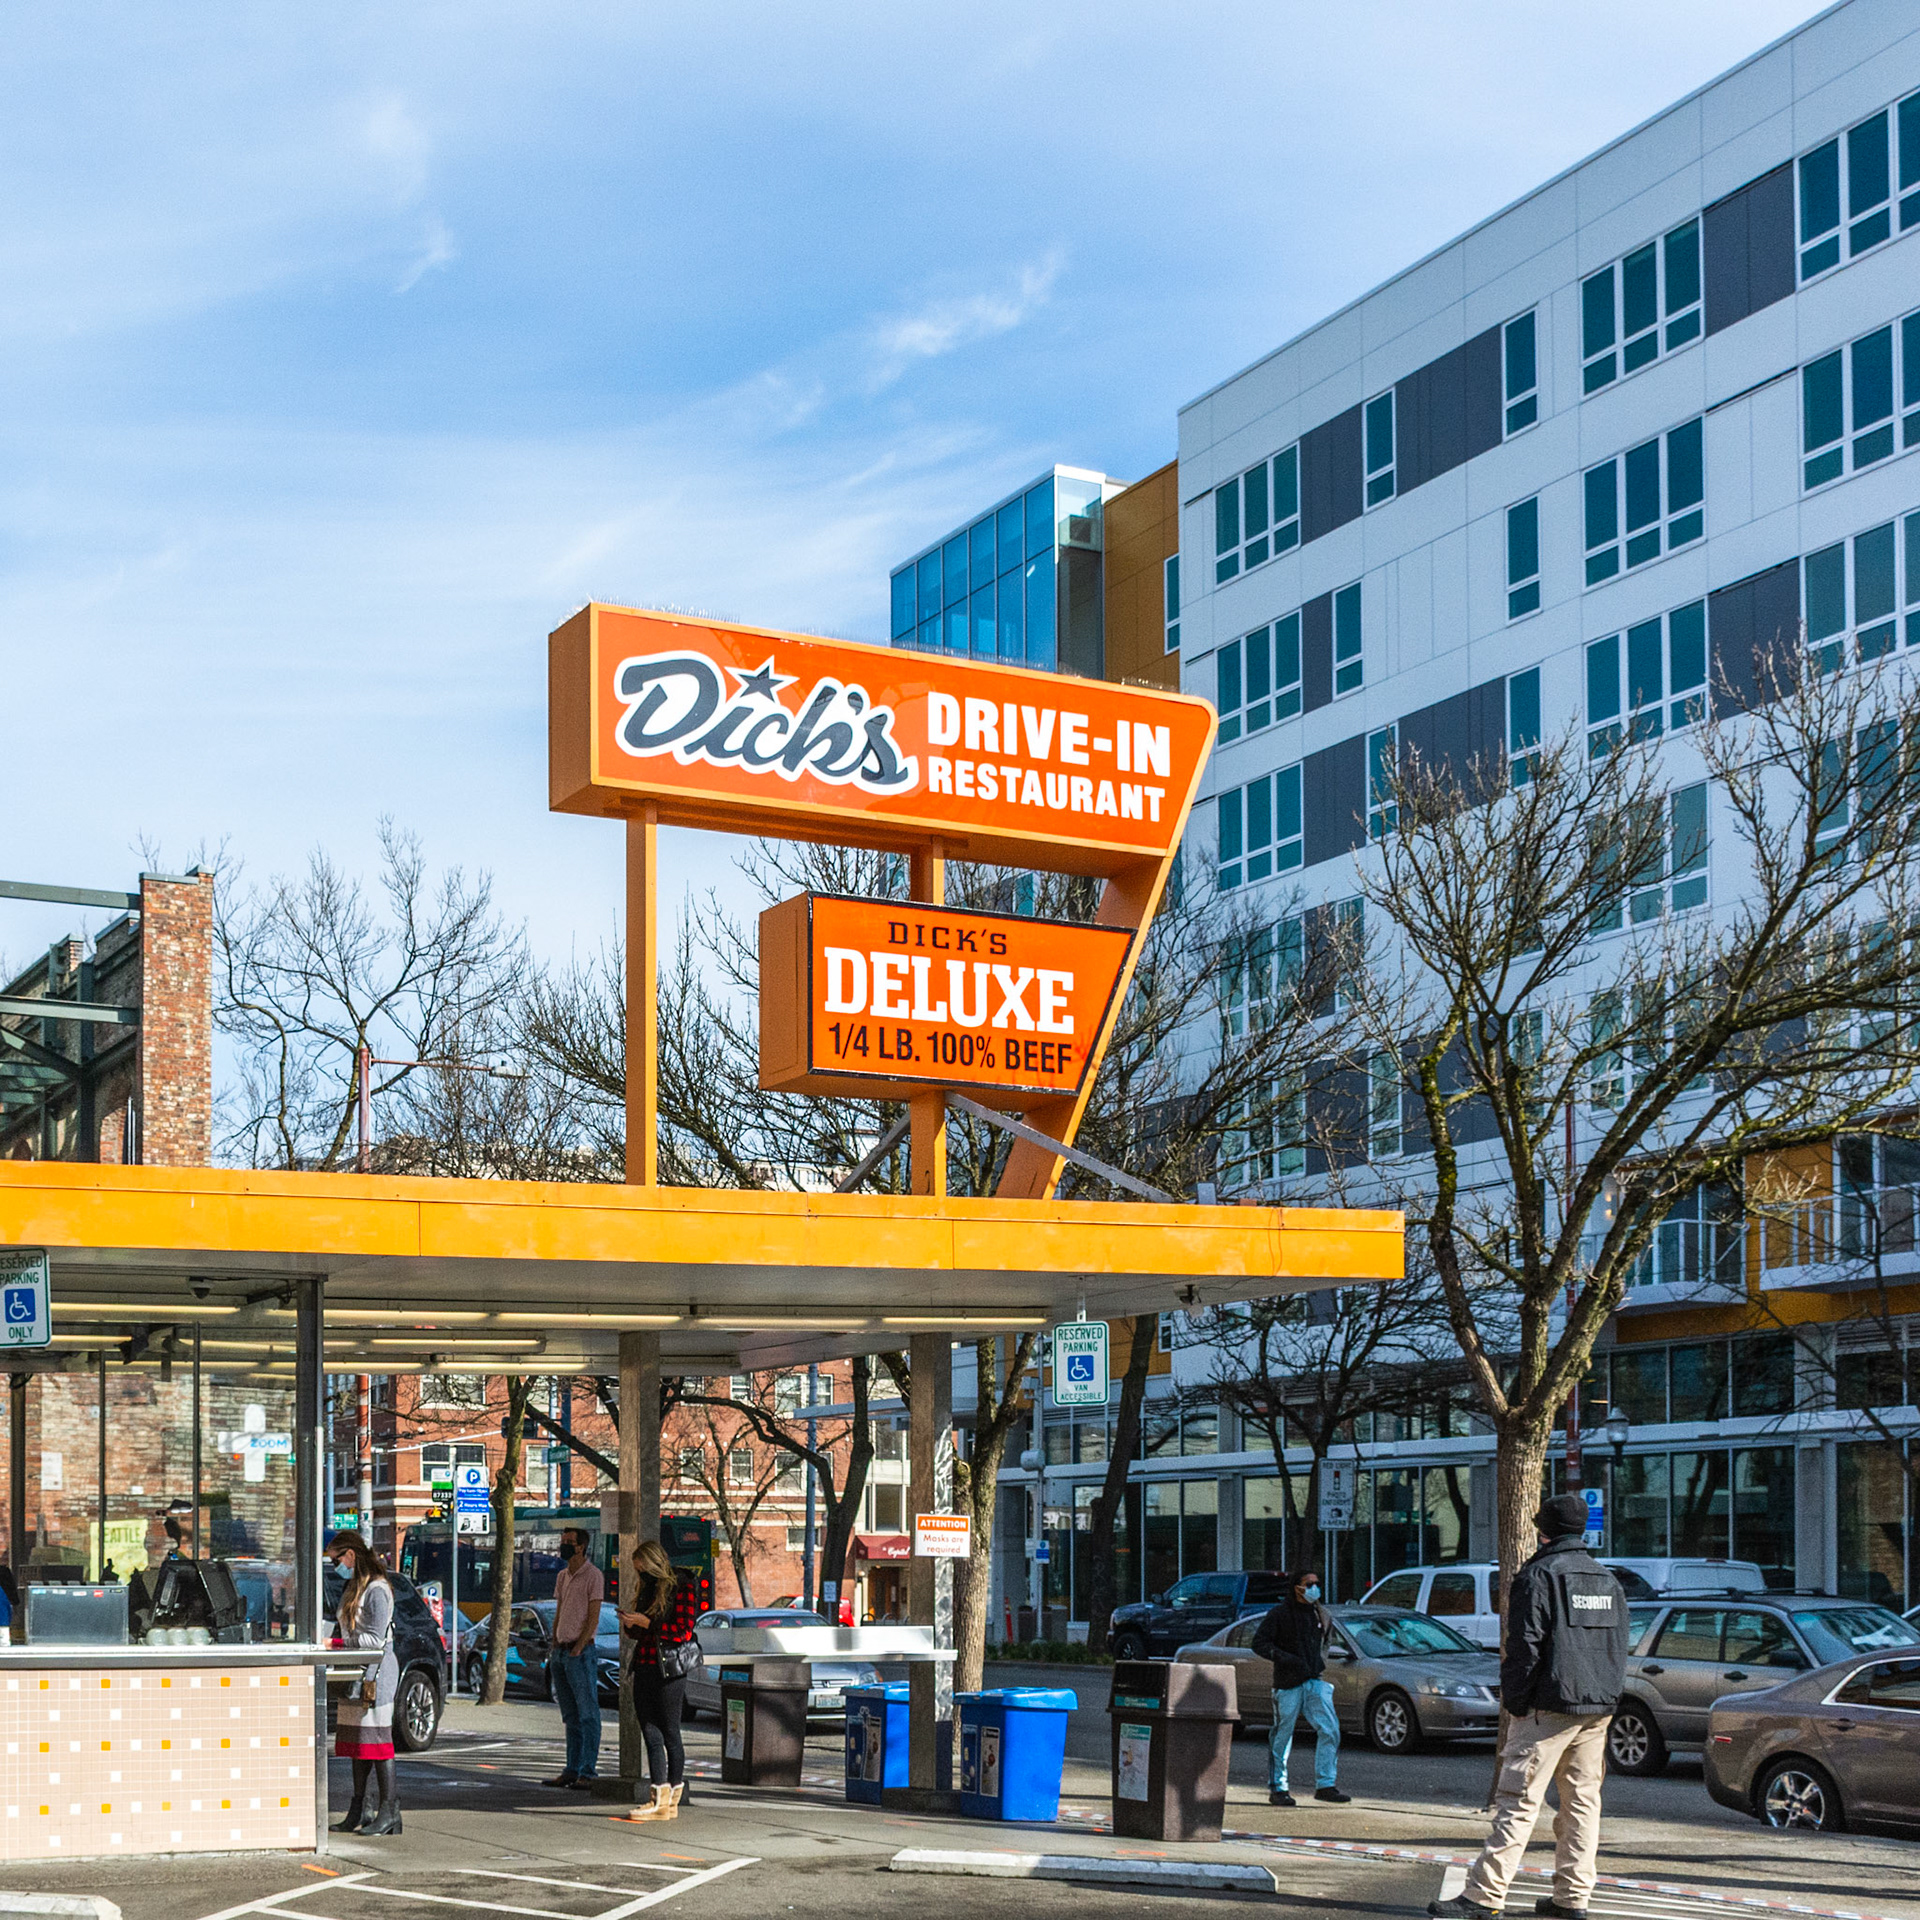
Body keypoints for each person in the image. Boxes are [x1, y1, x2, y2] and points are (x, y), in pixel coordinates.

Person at [1428, 1492, 1629, 1920]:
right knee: (1582, 1803)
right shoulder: (1606, 1578)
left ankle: (1483, 1898)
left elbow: (1523, 1646)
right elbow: (1617, 1646)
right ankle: (1572, 1899)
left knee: (1517, 1801)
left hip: (1547, 1706)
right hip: (1597, 1706)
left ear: (1543, 1531)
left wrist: (1515, 1702)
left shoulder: (1539, 1574)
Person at [1251, 1567, 1350, 1808]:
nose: (1314, 1588)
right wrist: (1287, 1658)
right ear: (1297, 1587)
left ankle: (1326, 1785)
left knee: (1330, 1730)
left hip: (1314, 1680)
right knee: (1282, 1735)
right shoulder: (1279, 1614)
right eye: (1309, 1584)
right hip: (1287, 1684)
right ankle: (1278, 1788)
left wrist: (1318, 1664)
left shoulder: (1321, 1614)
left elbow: (1326, 1643)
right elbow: (1259, 1643)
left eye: (1316, 1583)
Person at [617, 1540, 701, 1822]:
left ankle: (670, 1800)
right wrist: (632, 1625)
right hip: (646, 1666)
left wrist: (646, 1623)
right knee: (651, 1733)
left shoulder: (683, 1584)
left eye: (643, 1570)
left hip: (670, 1670)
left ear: (654, 1563)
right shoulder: (648, 1589)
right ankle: (659, 1798)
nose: (641, 1576)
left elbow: (682, 1631)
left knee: (669, 1732)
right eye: (638, 1571)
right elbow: (643, 1636)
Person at [329, 1530, 402, 1837]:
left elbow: (375, 1639)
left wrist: (341, 1642)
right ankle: (360, 1809)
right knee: (360, 1746)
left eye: (337, 1559)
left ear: (351, 1555)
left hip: (375, 1674)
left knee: (378, 1743)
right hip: (355, 1673)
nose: (335, 1565)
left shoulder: (378, 1590)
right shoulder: (355, 1588)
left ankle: (390, 1812)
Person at [543, 1528, 606, 1790]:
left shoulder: (593, 1576)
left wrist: (579, 1647)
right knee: (571, 1716)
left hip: (579, 1653)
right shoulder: (562, 1576)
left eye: (569, 1543)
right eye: (563, 1542)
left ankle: (587, 1771)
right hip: (561, 1650)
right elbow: (560, 1609)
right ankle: (572, 1768)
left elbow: (593, 1616)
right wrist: (555, 1641)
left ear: (581, 1547)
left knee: (588, 1713)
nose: (564, 1547)